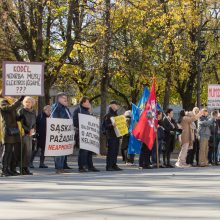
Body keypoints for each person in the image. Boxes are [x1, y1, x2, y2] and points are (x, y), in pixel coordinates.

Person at [73, 96, 99, 172]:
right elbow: (75, 122)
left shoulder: (87, 111)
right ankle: (82, 166)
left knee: (90, 150)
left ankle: (90, 166)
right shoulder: (78, 110)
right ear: (83, 102)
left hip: (89, 134)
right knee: (83, 151)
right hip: (82, 134)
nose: (89, 103)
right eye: (87, 102)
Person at [0, 95, 24, 176]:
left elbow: (15, 116)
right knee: (7, 150)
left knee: (12, 151)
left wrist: (20, 116)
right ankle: (4, 169)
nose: (11, 96)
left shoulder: (10, 103)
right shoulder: (2, 101)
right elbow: (8, 109)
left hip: (13, 130)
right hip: (7, 129)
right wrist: (19, 100)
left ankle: (9, 169)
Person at [51, 92, 72, 174]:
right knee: (58, 150)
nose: (65, 99)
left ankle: (62, 167)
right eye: (63, 97)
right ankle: (58, 168)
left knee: (63, 150)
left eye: (66, 97)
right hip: (58, 131)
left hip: (65, 131)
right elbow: (54, 118)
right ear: (59, 98)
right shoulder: (56, 106)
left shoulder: (65, 107)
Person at [18, 96, 36, 175]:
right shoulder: (21, 111)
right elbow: (20, 123)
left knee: (29, 151)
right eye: (26, 102)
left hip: (30, 134)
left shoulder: (33, 111)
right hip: (23, 133)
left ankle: (26, 168)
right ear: (24, 103)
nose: (28, 103)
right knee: (23, 151)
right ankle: (22, 168)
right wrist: (28, 130)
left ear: (32, 103)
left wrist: (33, 130)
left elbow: (35, 122)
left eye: (30, 102)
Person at [104, 100, 122, 171]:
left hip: (116, 135)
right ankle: (109, 166)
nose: (117, 106)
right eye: (116, 104)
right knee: (111, 151)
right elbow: (105, 126)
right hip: (111, 135)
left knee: (115, 151)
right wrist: (112, 125)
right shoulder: (108, 115)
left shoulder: (115, 114)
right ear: (112, 105)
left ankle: (114, 164)